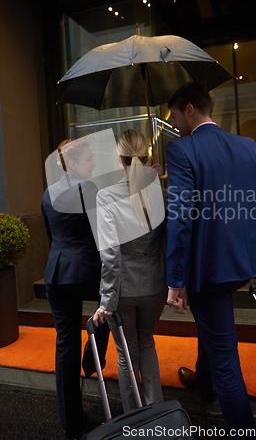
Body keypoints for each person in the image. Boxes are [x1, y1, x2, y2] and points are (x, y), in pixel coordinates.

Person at [165, 82, 256, 439]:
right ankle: (202, 379)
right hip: (242, 264)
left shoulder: (181, 149)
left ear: (190, 110)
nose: (174, 122)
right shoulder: (247, 145)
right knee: (213, 329)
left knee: (229, 365)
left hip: (208, 270)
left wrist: (175, 279)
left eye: (175, 114)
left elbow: (180, 218)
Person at [93, 129, 168, 413]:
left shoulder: (106, 196)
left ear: (119, 158)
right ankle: (157, 415)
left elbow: (110, 254)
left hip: (123, 289)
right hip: (155, 284)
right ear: (147, 157)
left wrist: (107, 302)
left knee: (126, 355)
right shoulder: (161, 194)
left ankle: (133, 417)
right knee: (147, 343)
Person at [41, 139, 109, 439]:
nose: (94, 164)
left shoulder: (48, 193)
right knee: (109, 309)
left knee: (64, 344)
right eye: (89, 160)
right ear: (74, 163)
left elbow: (49, 233)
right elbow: (101, 232)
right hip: (89, 271)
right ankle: (93, 357)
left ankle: (71, 421)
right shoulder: (90, 189)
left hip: (57, 273)